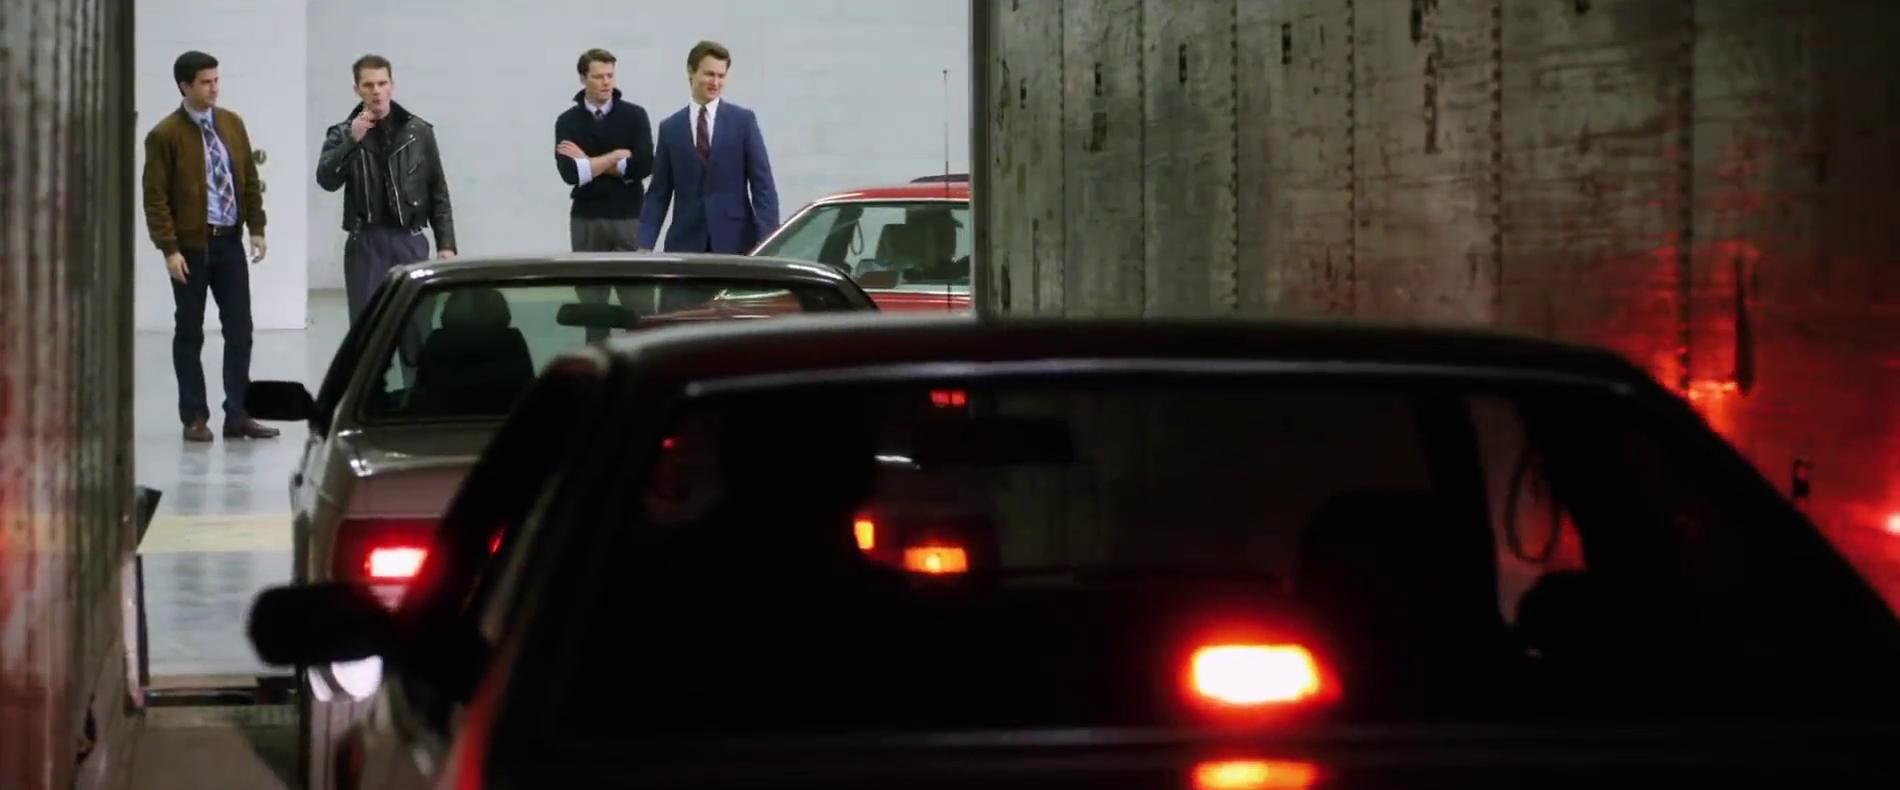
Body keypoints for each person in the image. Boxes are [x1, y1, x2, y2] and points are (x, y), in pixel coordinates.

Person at [141, 50, 278, 442]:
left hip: (229, 243)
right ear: (184, 86)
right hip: (190, 249)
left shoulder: (232, 124)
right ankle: (194, 417)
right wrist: (169, 249)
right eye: (205, 82)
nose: (214, 88)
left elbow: (247, 180)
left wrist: (257, 227)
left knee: (240, 329)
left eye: (216, 80)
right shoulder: (164, 135)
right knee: (190, 332)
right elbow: (155, 198)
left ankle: (238, 414)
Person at [317, 54, 457, 323]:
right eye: (368, 85)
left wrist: (446, 244)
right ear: (357, 89)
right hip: (366, 241)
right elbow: (326, 180)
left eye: (382, 83)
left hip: (409, 239)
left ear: (392, 85)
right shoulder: (342, 133)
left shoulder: (418, 131)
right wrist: (351, 141)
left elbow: (438, 189)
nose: (376, 91)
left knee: (416, 325)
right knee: (368, 327)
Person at [638, 40, 780, 258]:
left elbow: (763, 186)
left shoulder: (743, 122)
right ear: (691, 72)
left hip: (736, 241)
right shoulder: (671, 128)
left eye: (721, 76)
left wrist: (769, 241)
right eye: (709, 74)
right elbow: (658, 193)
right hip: (685, 242)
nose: (715, 82)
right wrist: (644, 243)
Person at [555, 48, 654, 336]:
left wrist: (589, 162)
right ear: (583, 78)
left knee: (639, 306)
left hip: (628, 216)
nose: (606, 82)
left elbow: (643, 166)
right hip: (587, 218)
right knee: (593, 310)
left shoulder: (634, 116)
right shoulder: (568, 121)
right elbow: (570, 174)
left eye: (610, 75)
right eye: (598, 77)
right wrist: (614, 158)